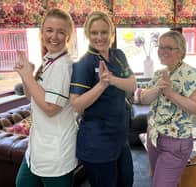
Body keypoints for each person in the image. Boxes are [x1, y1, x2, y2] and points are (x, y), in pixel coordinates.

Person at [69, 11, 136, 187]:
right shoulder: (84, 64)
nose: (100, 37)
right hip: (97, 143)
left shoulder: (119, 56)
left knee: (127, 182)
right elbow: (76, 104)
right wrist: (101, 85)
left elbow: (132, 85)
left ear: (111, 32)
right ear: (87, 35)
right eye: (94, 33)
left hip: (120, 138)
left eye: (104, 32)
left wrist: (112, 80)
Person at [14, 8, 78, 187]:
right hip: (35, 150)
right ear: (42, 33)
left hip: (55, 155)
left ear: (68, 36)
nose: (54, 36)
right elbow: (31, 95)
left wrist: (28, 76)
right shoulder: (49, 59)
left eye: (61, 32)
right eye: (49, 30)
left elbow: (51, 108)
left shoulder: (64, 66)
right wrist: (25, 74)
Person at [139, 30, 196, 187]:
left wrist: (170, 93)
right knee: (161, 180)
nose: (162, 51)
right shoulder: (160, 73)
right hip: (154, 136)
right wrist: (157, 89)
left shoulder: (190, 75)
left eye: (168, 48)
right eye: (160, 47)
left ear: (181, 51)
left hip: (176, 141)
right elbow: (143, 99)